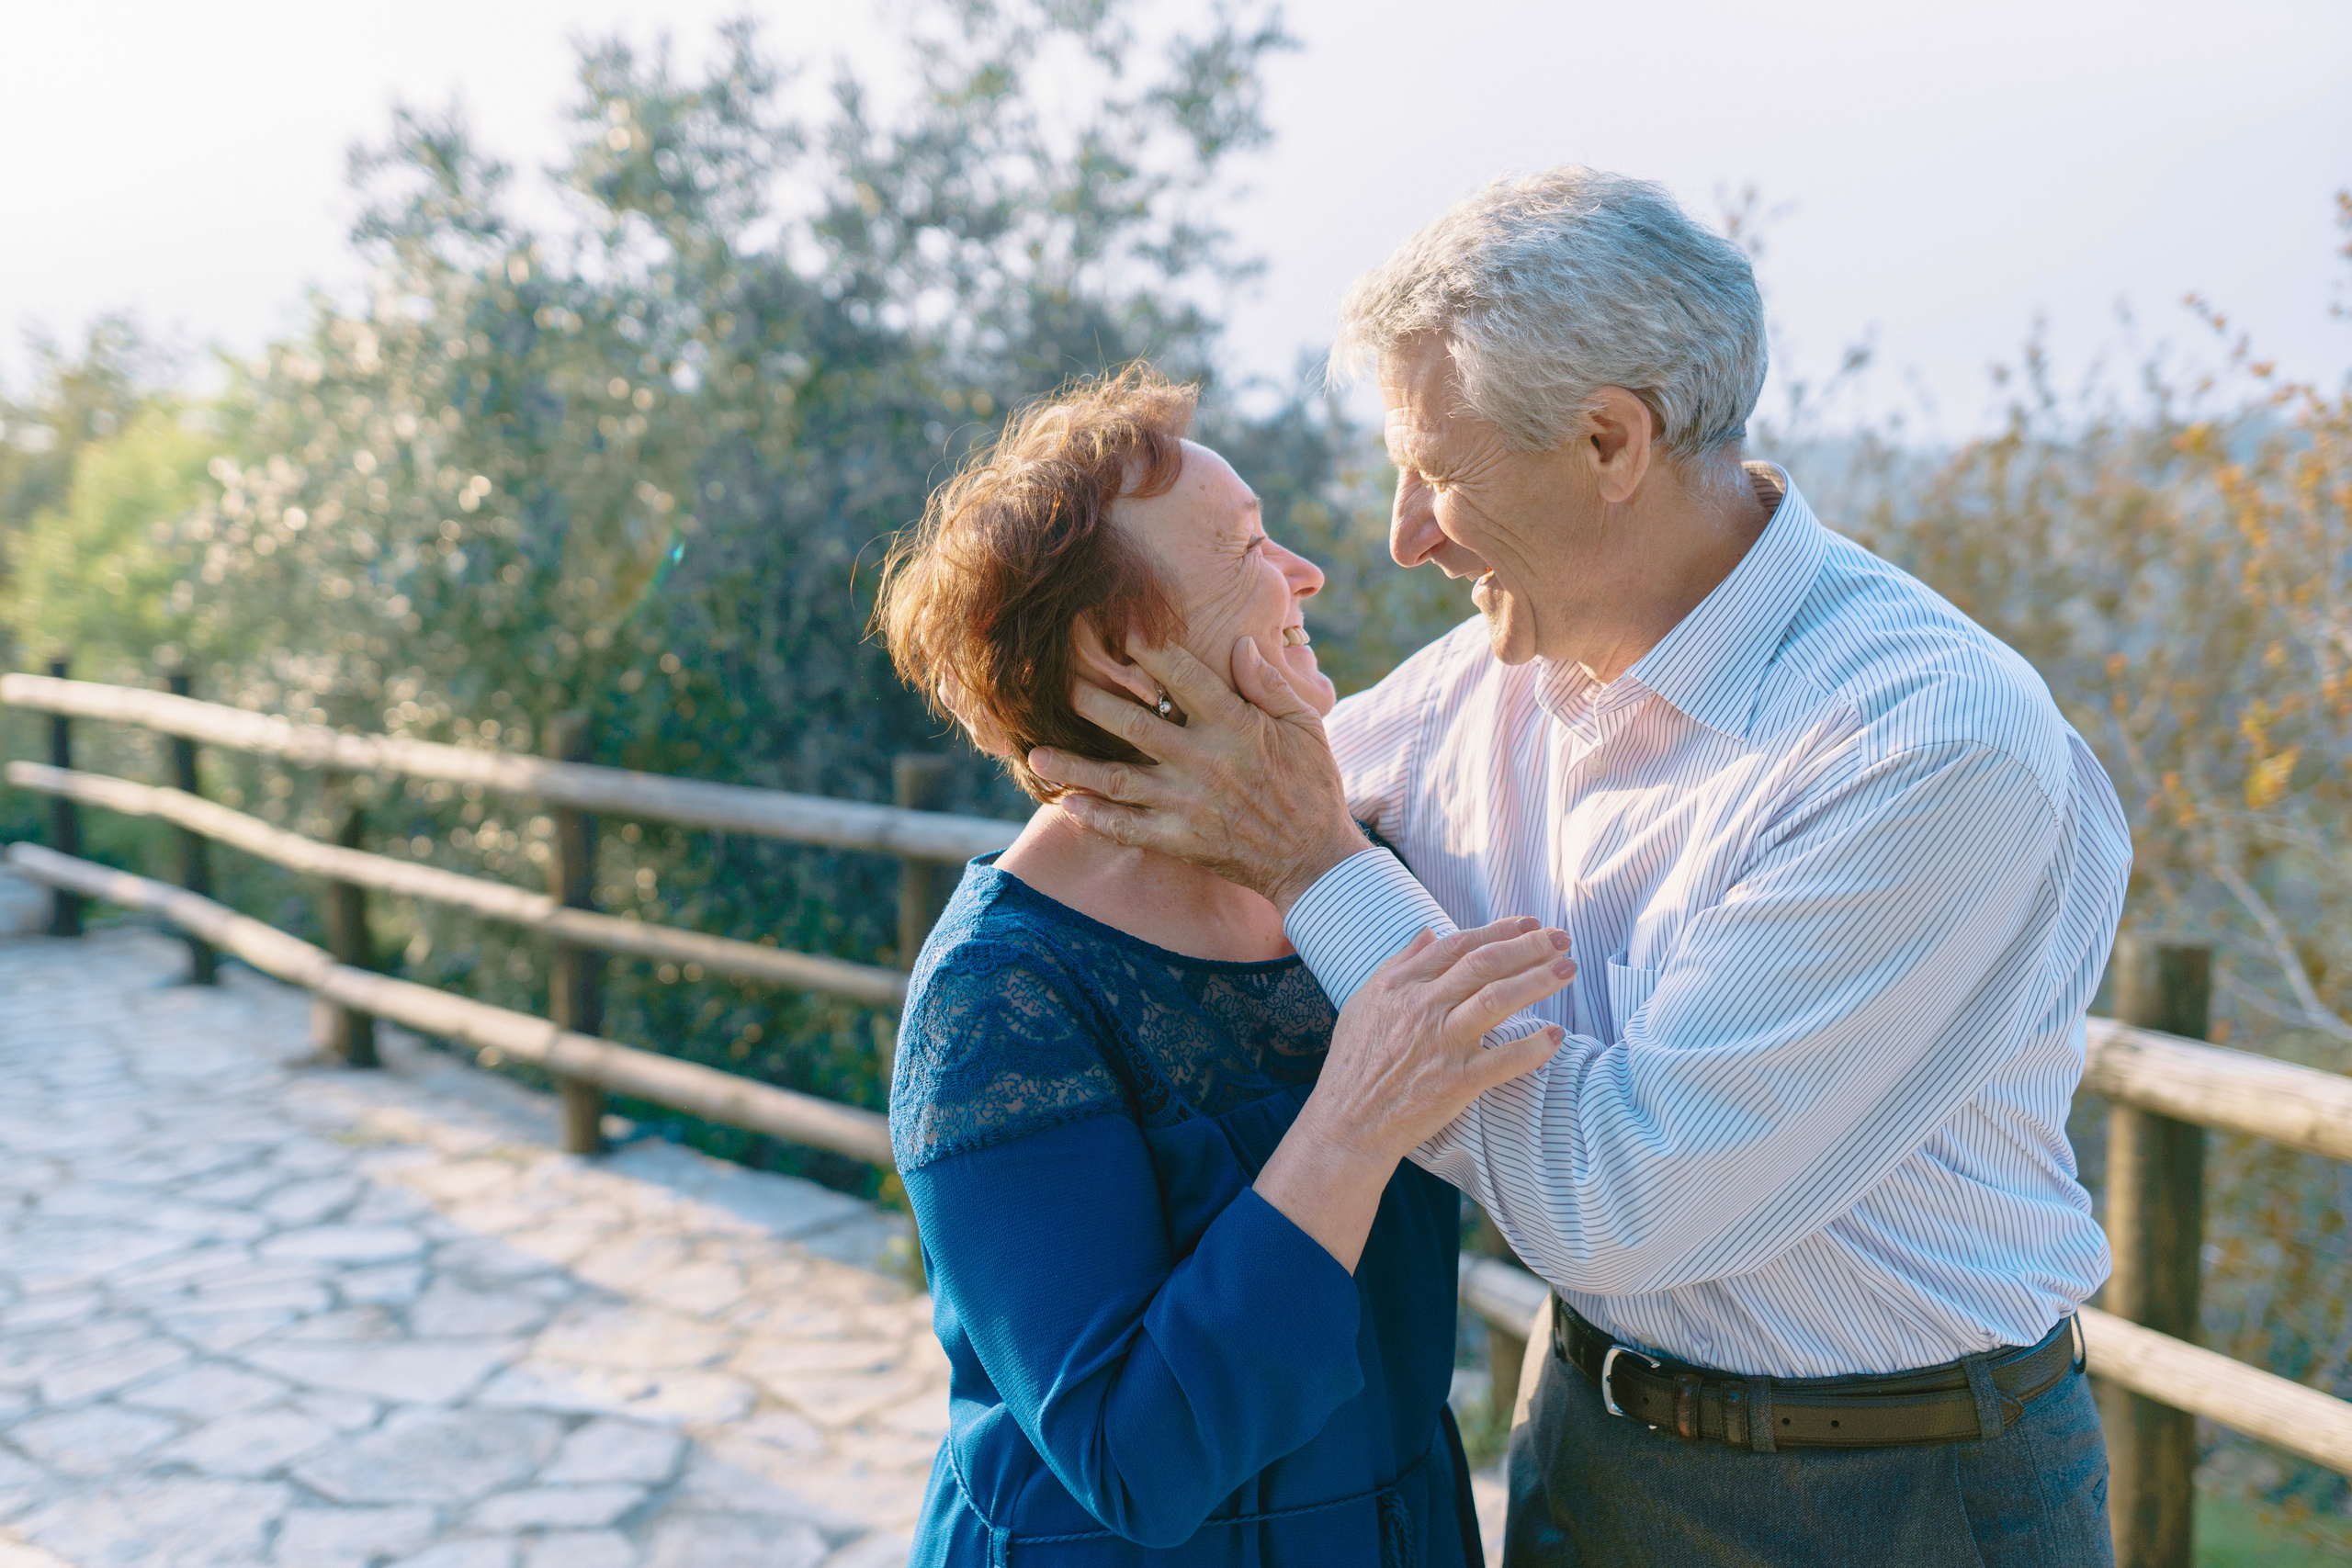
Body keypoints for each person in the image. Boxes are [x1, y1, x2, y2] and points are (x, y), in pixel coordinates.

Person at [1028, 169, 2132, 1566]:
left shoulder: (1929, 750)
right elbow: (1228, 797)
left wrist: (1319, 870)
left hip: (1894, 1498)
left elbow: (1616, 1203)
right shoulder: (1494, 680)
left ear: (1612, 441)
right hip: (1588, 1448)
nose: (1402, 534)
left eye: (1437, 471)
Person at [874, 367, 1577, 1566]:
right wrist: (1352, 1123)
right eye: (1250, 547)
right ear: (1121, 646)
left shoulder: (1356, 871)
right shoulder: (999, 998)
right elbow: (1131, 1460)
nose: (1305, 573)